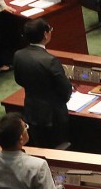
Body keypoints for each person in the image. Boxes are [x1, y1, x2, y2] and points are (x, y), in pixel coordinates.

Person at [13, 19, 73, 148]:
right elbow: (66, 90)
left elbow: (18, 80)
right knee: (59, 148)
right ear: (45, 34)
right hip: (53, 116)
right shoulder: (50, 61)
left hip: (31, 111)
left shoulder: (18, 55)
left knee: (41, 146)